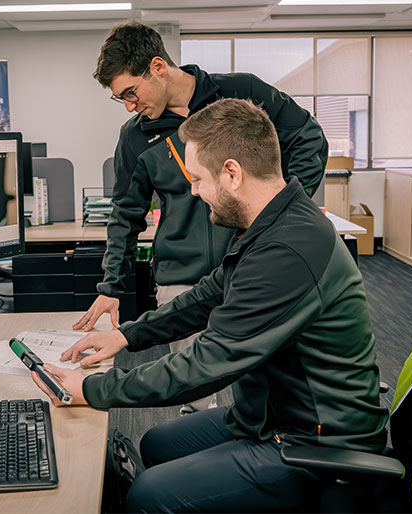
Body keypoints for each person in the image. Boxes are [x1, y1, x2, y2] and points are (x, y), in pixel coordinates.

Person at [33, 98, 388, 513]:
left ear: (232, 174)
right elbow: (207, 295)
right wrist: (125, 335)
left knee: (148, 494)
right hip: (270, 413)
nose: (194, 191)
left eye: (198, 178)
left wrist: (90, 390)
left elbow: (207, 365)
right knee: (156, 443)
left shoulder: (289, 247)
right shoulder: (273, 221)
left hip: (317, 441)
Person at [74, 21, 329, 414]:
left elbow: (309, 137)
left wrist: (281, 213)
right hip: (184, 276)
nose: (128, 105)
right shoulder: (136, 137)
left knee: (262, 383)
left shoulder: (241, 94)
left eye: (130, 92)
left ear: (158, 67)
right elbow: (126, 214)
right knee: (193, 389)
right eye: (119, 98)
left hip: (252, 265)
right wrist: (112, 284)